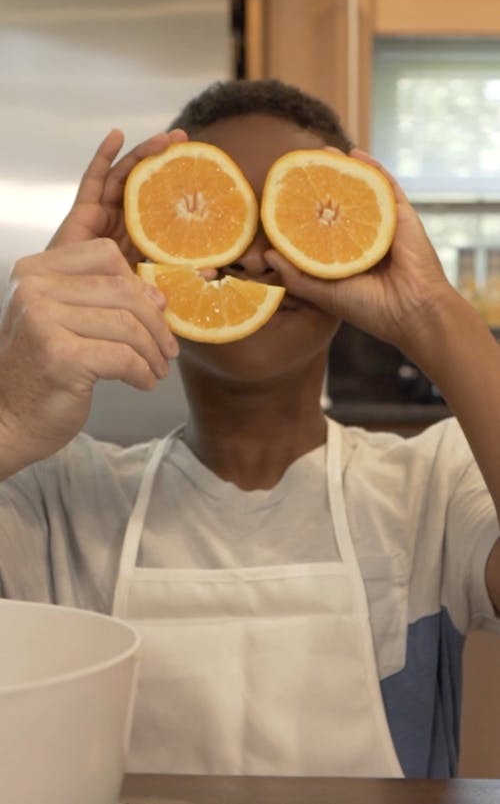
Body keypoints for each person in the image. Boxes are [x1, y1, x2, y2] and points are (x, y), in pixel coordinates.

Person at [0, 79, 499, 779]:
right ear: (145, 249)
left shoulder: (434, 486)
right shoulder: (54, 502)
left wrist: (432, 314)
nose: (255, 256)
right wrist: (10, 417)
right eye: (214, 216)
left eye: (286, 220)